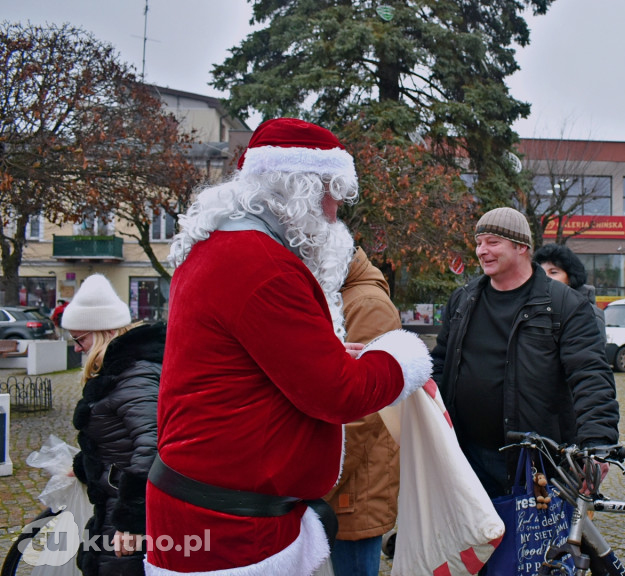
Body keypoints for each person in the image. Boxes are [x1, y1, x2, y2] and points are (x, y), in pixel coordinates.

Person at [146, 118, 431, 576]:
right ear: (300, 188)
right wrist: (404, 356)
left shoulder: (219, 248)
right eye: (333, 193)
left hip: (216, 505)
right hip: (232, 525)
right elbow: (338, 394)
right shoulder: (264, 265)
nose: (336, 211)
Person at [432, 207, 618, 502]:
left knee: (542, 548)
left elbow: (590, 375)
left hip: (538, 462)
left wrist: (597, 444)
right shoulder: (463, 300)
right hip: (467, 457)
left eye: (493, 242)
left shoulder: (564, 304)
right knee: (480, 548)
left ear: (521, 247)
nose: (482, 251)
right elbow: (440, 365)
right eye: (479, 242)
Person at [62, 274, 164, 576]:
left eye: (80, 338)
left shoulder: (134, 376)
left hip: (126, 517)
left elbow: (152, 445)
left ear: (103, 332)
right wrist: (84, 465)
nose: (78, 348)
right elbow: (118, 440)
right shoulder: (118, 373)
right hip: (113, 508)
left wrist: (131, 522)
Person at [324, 246, 402, 576]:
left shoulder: (367, 304)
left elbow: (364, 410)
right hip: (346, 478)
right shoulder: (341, 295)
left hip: (356, 485)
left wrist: (325, 480)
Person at [533, 242, 606, 335]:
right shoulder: (535, 309)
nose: (545, 278)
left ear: (571, 277)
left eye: (553, 272)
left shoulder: (588, 314)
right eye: (541, 272)